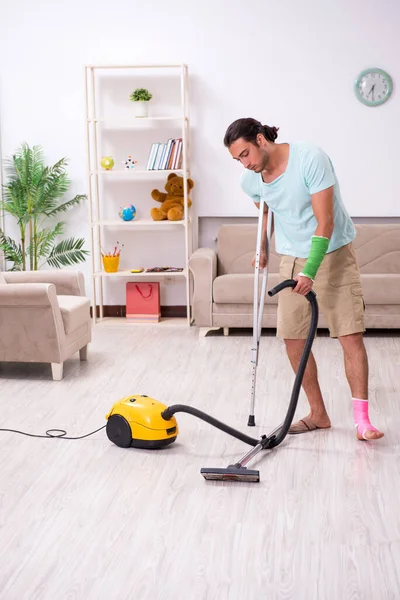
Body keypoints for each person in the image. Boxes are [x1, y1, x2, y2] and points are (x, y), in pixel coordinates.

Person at [224, 117, 384, 441]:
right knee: (293, 339)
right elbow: (266, 213)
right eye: (237, 159)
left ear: (260, 139)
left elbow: (324, 221)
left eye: (245, 154)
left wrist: (310, 270)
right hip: (290, 256)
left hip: (332, 252)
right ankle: (318, 413)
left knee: (349, 335)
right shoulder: (251, 179)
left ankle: (363, 421)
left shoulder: (310, 158)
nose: (244, 164)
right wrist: (264, 247)